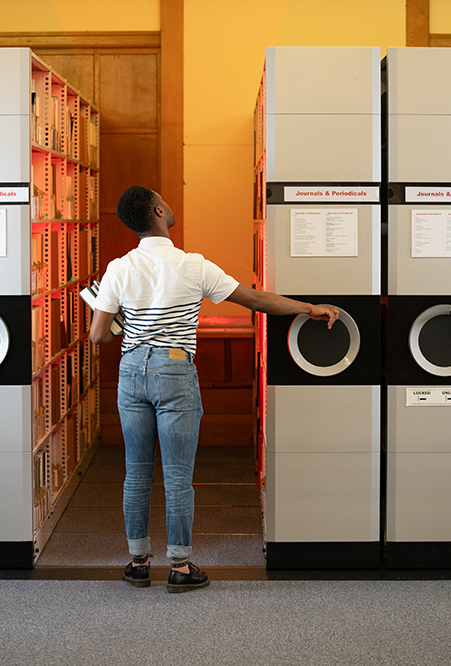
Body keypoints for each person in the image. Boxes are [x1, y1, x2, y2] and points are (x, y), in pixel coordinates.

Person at [89, 185, 338, 593]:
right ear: (158, 210)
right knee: (177, 475)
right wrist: (308, 307)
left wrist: (133, 324)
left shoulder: (119, 267)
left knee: (136, 474)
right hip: (173, 370)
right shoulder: (194, 266)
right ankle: (180, 567)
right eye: (164, 200)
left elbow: (98, 335)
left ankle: (137, 563)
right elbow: (256, 300)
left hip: (131, 370)